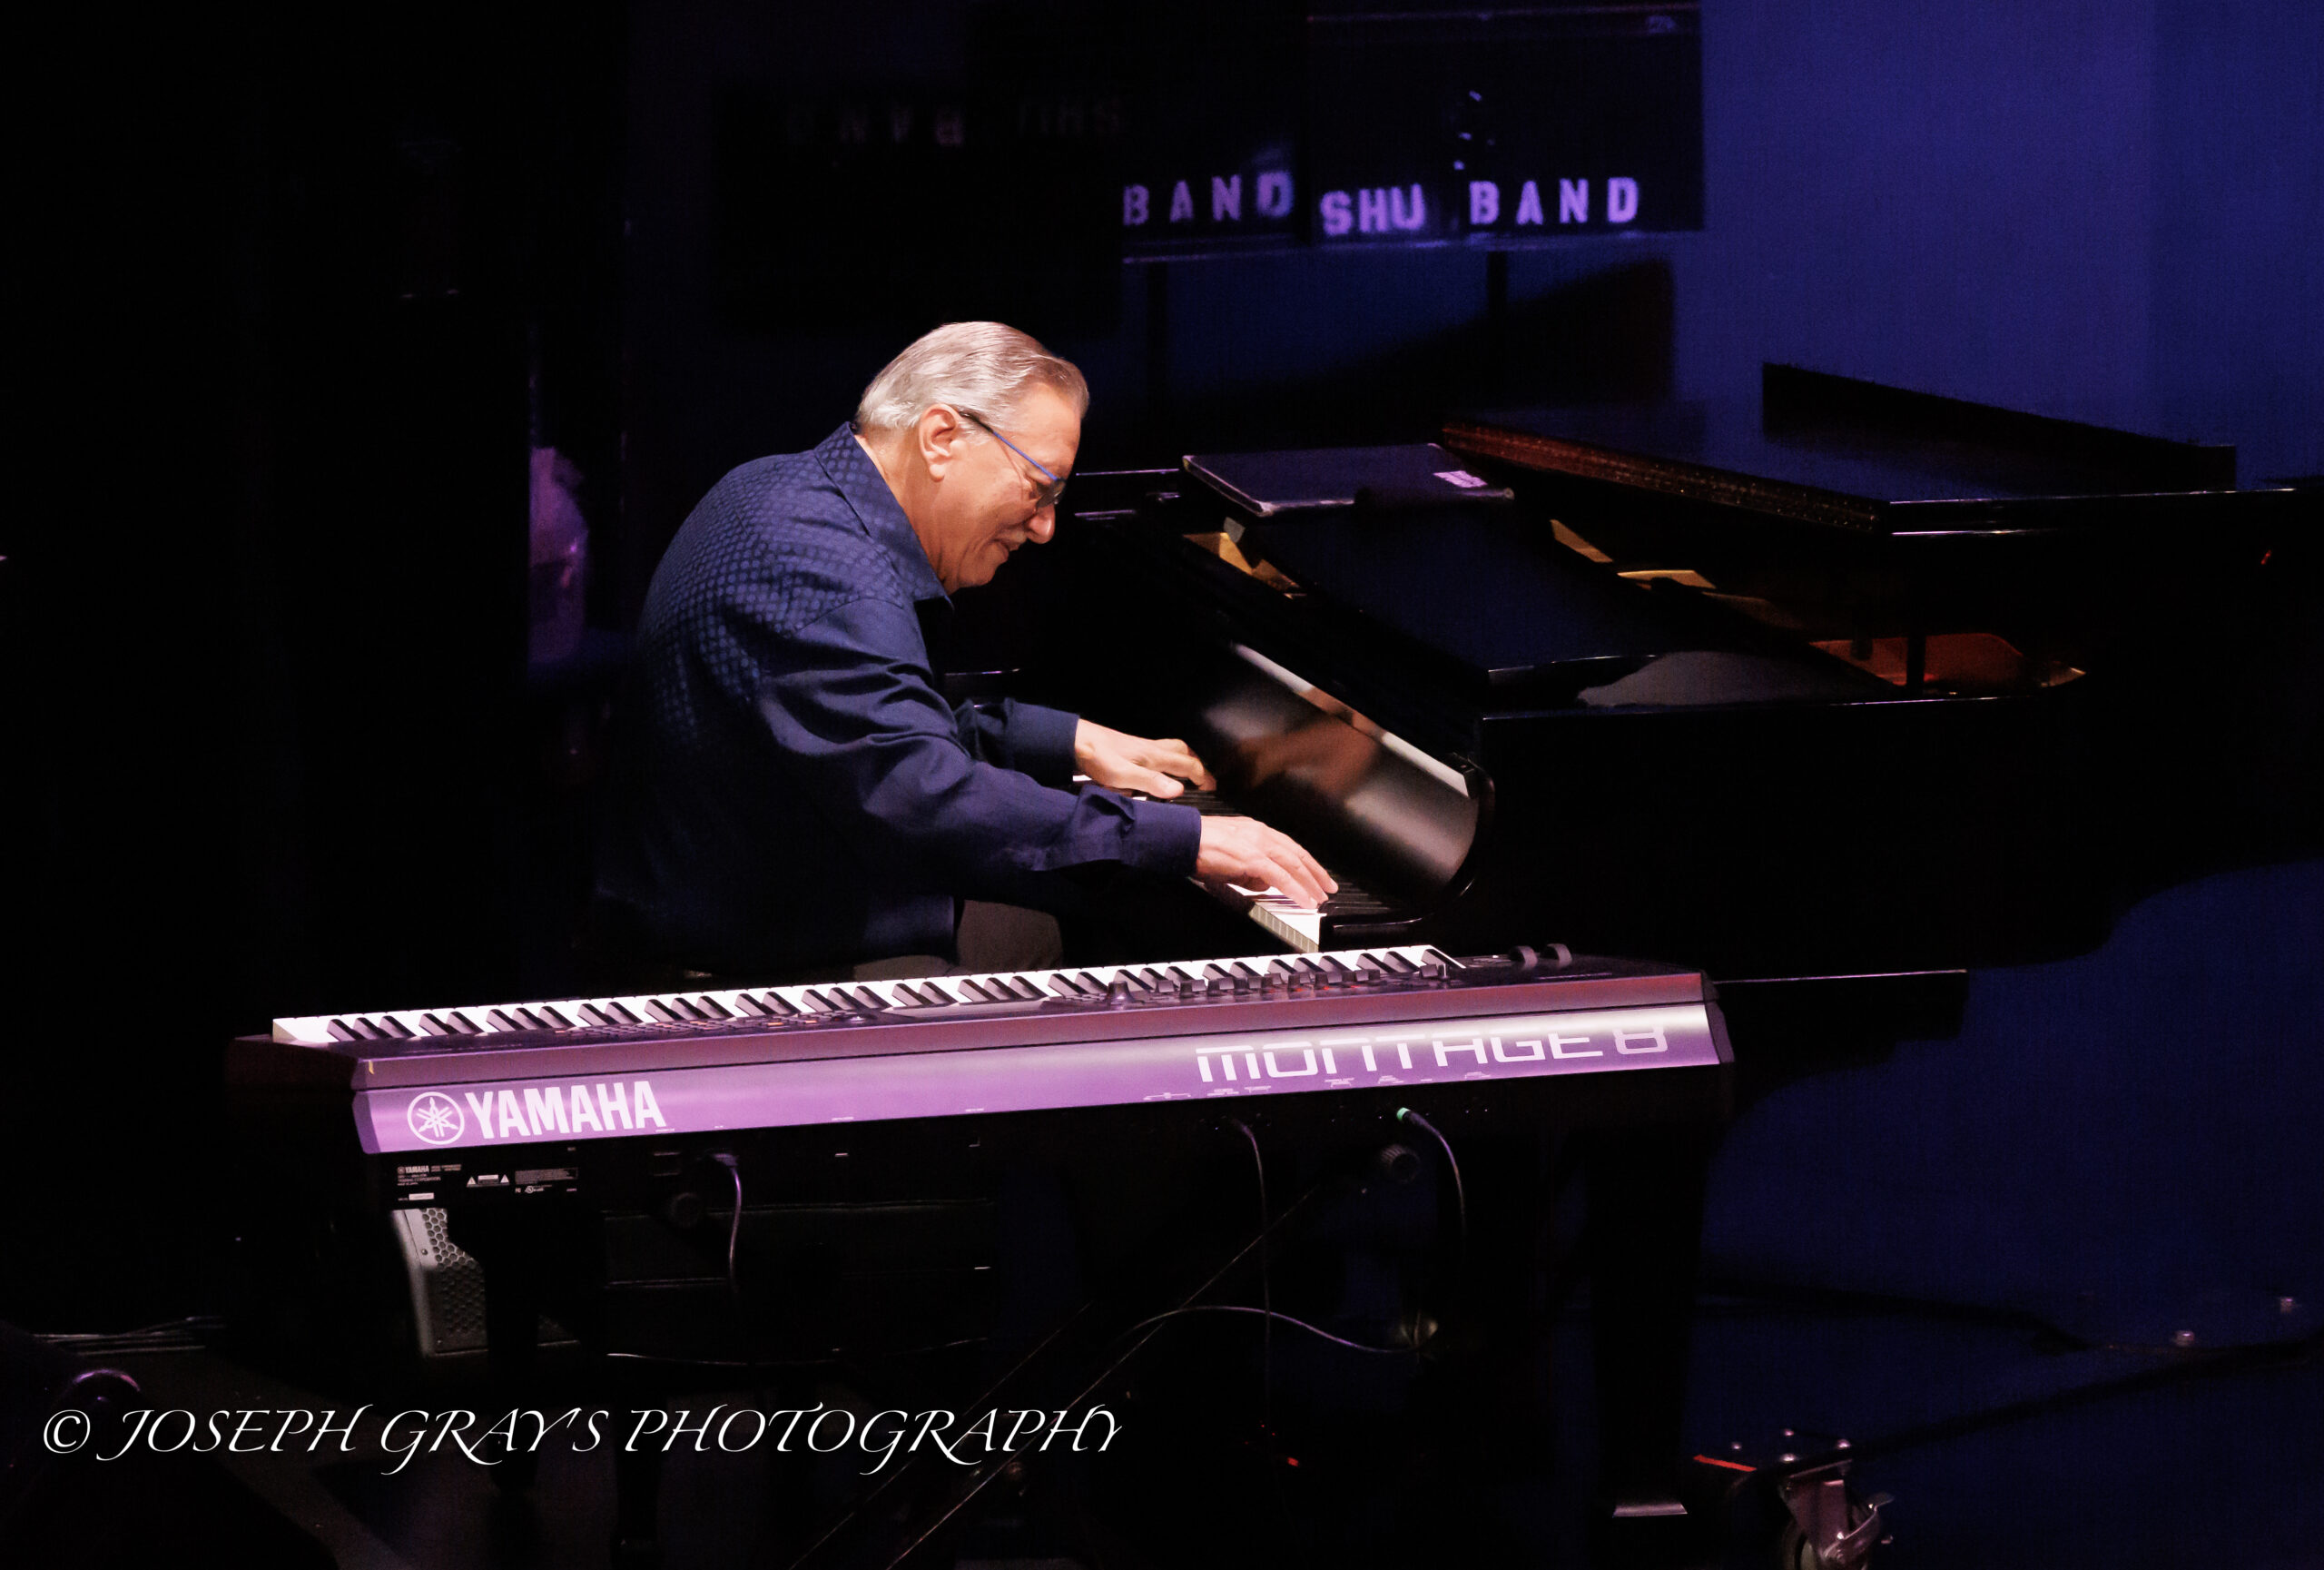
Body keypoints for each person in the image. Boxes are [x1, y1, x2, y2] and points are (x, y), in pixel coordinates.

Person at [596, 321, 1332, 981]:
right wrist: (1181, 838)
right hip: (743, 967)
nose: (1045, 527)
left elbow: (864, 728)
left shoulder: (780, 491)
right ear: (942, 437)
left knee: (1055, 917)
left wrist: (1068, 741)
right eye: (1040, 488)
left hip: (763, 897)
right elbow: (927, 798)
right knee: (1092, 944)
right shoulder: (827, 579)